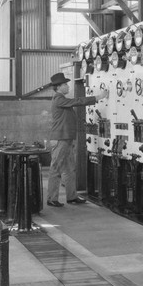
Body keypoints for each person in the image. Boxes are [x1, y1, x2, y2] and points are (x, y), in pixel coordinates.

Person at [46, 72, 108, 207]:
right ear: (59, 87)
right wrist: (98, 97)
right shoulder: (58, 98)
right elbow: (77, 101)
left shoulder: (60, 98)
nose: (68, 86)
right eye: (65, 84)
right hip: (61, 138)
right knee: (56, 168)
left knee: (69, 169)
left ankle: (72, 197)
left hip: (67, 138)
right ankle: (52, 198)